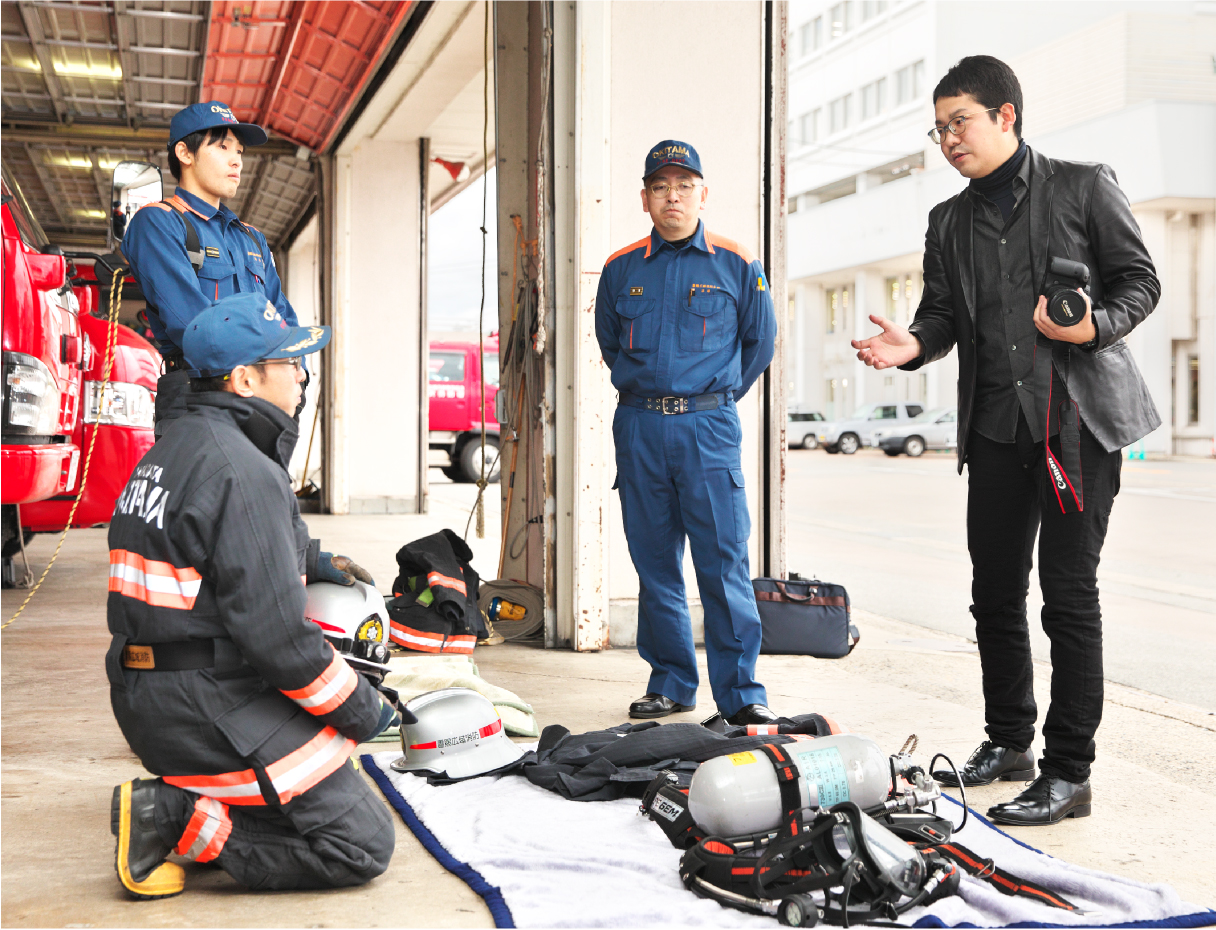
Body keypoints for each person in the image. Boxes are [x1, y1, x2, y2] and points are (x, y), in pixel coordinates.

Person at [852, 57, 1160, 825]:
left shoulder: (1083, 185)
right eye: (940, 126)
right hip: (994, 429)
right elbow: (943, 319)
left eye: (961, 121)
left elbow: (1140, 280)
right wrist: (911, 346)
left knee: (1069, 595)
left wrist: (1094, 326)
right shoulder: (946, 222)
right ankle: (1009, 740)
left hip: (1076, 424)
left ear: (1007, 117)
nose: (949, 138)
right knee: (993, 591)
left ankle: (1068, 771)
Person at [107, 292, 397, 899]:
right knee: (361, 842)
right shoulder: (241, 469)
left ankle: (189, 801)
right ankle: (175, 816)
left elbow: (214, 554)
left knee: (316, 763)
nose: (300, 375)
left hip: (150, 698)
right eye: (288, 363)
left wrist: (309, 559)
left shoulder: (173, 450)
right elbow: (282, 642)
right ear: (244, 378)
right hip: (208, 706)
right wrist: (362, 711)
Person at [595, 140, 778, 726]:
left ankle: (741, 693)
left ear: (703, 193)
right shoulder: (622, 269)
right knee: (655, 563)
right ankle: (671, 681)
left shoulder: (736, 262)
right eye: (660, 186)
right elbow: (608, 342)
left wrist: (712, 397)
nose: (672, 195)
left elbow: (760, 343)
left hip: (708, 428)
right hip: (641, 426)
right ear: (645, 199)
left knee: (722, 561)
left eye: (683, 184)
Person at [122, 101, 300, 435]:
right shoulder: (160, 223)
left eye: (240, 151)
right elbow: (192, 324)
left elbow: (281, 316)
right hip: (198, 398)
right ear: (184, 153)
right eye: (222, 147)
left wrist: (293, 371)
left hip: (262, 399)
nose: (237, 160)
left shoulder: (253, 239)